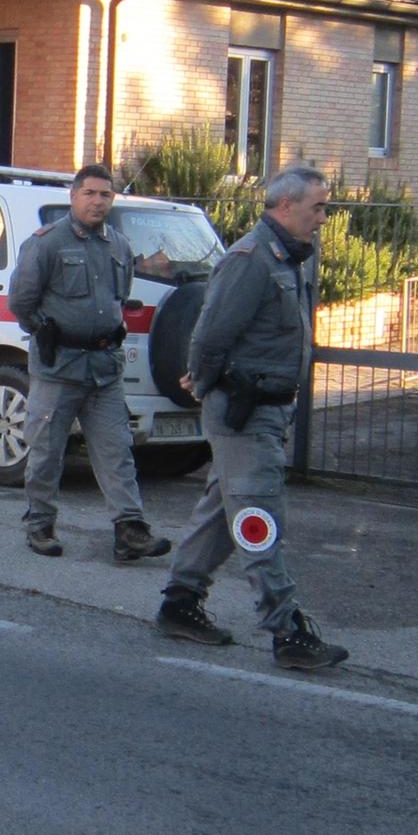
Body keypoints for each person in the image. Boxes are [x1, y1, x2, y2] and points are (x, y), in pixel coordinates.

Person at [156, 163, 347, 670]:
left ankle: (179, 603)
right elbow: (211, 333)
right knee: (258, 518)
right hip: (244, 411)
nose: (323, 218)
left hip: (263, 409)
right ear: (285, 207)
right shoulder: (252, 259)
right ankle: (287, 632)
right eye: (317, 207)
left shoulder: (286, 257)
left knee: (224, 510)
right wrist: (201, 378)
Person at [8, 163, 170, 563]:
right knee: (47, 450)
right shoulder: (46, 243)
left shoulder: (117, 244)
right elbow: (20, 300)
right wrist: (42, 330)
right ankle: (40, 525)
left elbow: (120, 295)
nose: (98, 202)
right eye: (90, 193)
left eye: (105, 195)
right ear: (73, 196)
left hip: (103, 367)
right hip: (59, 365)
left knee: (117, 450)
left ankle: (129, 530)